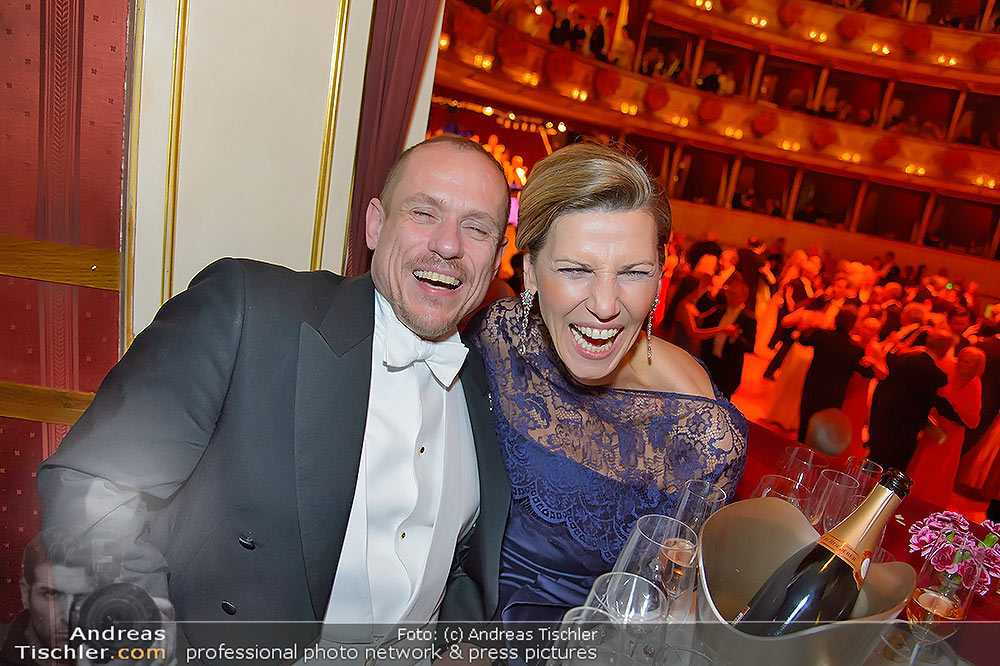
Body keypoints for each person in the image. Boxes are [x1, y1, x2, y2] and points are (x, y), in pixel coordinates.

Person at [36, 135, 512, 655]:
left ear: (496, 258)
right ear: (375, 225)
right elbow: (92, 490)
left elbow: (467, 564)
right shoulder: (251, 311)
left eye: (477, 228)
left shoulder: (492, 387)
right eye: (424, 213)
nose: (449, 245)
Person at [467, 143, 747, 629]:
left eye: (633, 273)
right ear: (529, 271)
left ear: (660, 278)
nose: (604, 305)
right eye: (576, 270)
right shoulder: (496, 332)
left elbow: (665, 609)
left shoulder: (700, 435)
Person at [909, 347, 985, 507]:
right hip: (935, 429)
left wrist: (952, 405)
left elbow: (973, 419)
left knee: (939, 470)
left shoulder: (974, 384)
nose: (961, 364)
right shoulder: (951, 373)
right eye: (961, 360)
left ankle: (926, 501)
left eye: (967, 362)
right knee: (922, 461)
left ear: (976, 366)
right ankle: (912, 494)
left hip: (951, 435)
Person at [701, 276, 756, 399]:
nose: (729, 297)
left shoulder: (748, 319)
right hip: (710, 363)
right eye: (728, 292)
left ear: (744, 297)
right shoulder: (718, 311)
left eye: (734, 294)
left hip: (728, 369)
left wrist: (735, 338)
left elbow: (750, 347)